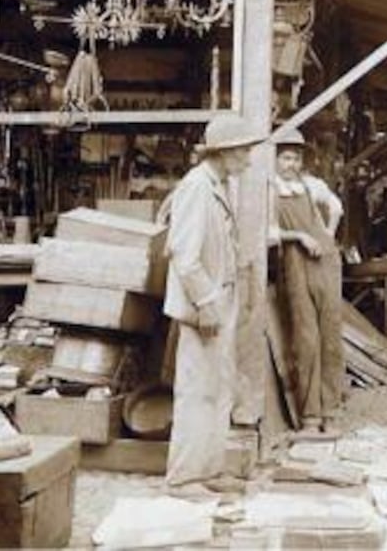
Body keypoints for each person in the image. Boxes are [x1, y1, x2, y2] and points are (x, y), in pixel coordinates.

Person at [163, 113, 260, 497]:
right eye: (243, 151)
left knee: (219, 388)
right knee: (197, 392)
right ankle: (183, 478)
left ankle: (210, 469)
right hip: (204, 304)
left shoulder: (219, 185)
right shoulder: (196, 187)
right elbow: (184, 256)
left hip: (221, 299)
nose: (248, 159)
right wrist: (204, 302)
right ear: (224, 152)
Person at [270, 127, 345, 433]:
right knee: (306, 339)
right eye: (286, 158)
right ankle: (310, 416)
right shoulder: (268, 190)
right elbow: (268, 233)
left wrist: (327, 234)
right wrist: (299, 236)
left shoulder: (312, 185)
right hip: (295, 263)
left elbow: (336, 208)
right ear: (274, 160)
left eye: (296, 159)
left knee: (331, 337)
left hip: (326, 261)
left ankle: (331, 412)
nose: (291, 165)